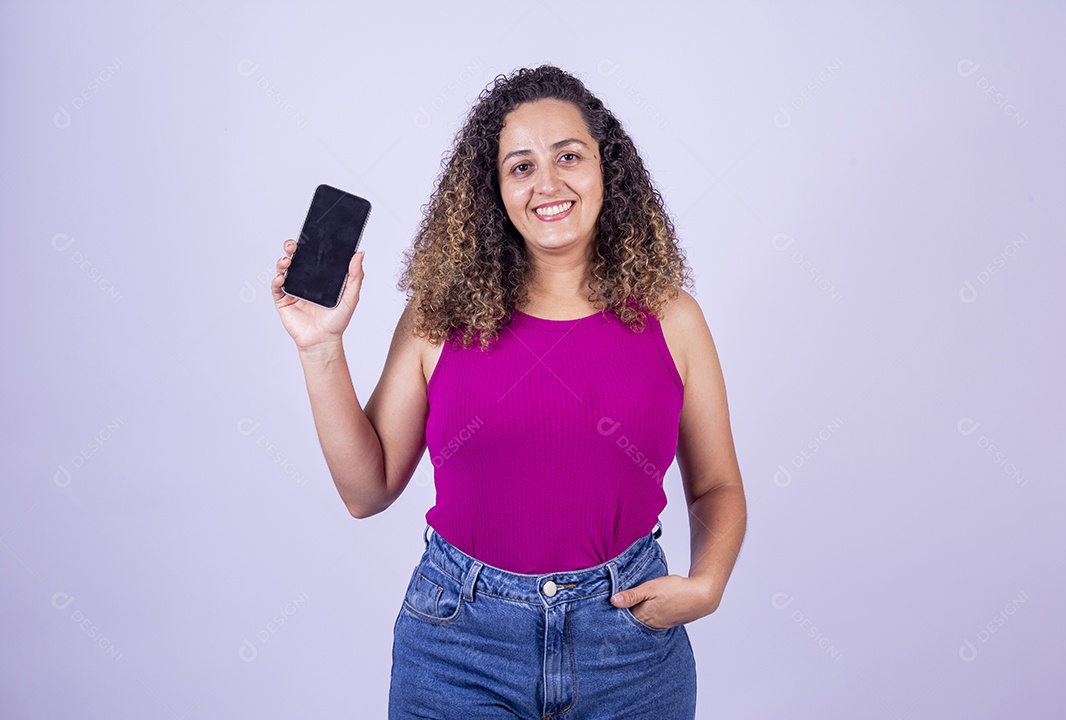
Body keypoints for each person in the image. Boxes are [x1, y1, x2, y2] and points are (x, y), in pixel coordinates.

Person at [271, 64, 746, 719]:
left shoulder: (673, 317)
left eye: (569, 157)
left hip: (629, 647)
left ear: (607, 170)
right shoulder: (437, 319)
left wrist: (710, 584)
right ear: (494, 190)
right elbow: (365, 490)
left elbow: (716, 486)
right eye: (521, 166)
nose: (547, 183)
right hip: (460, 649)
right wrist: (320, 347)